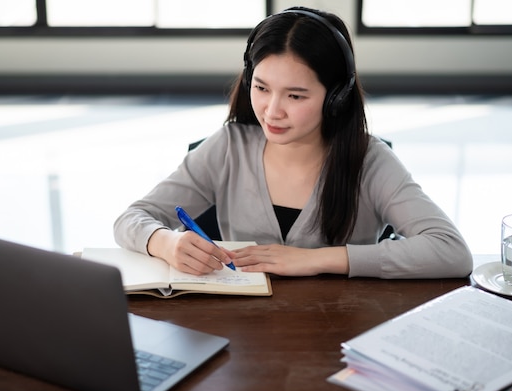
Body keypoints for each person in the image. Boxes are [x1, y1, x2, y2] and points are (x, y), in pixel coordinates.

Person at [114, 6, 473, 279]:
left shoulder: (369, 159)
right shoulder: (228, 147)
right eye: (261, 88)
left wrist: (318, 258)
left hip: (340, 331)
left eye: (295, 96)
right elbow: (132, 218)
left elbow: (452, 251)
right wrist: (166, 242)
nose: (272, 111)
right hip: (243, 334)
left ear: (335, 98)